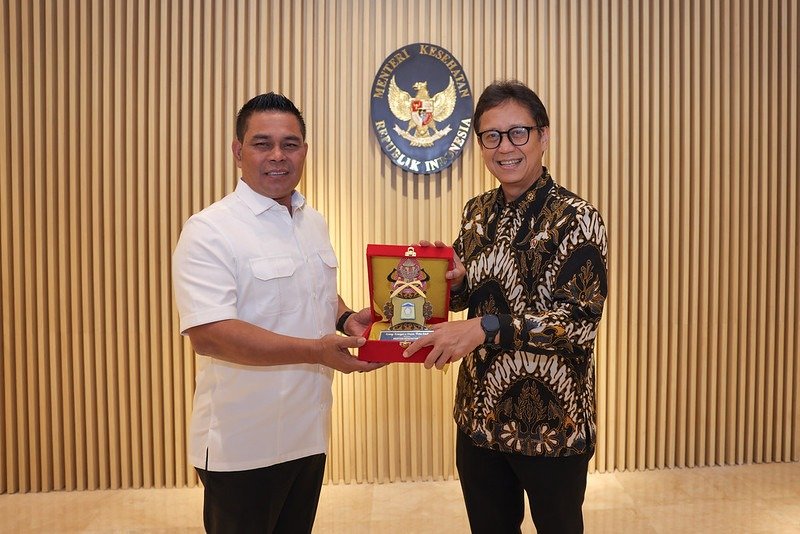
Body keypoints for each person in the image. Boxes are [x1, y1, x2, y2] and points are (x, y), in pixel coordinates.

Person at [172, 92, 384, 534]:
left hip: (308, 435)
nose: (277, 156)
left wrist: (345, 320)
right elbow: (210, 334)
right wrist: (317, 351)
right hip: (242, 445)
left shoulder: (313, 221)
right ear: (237, 151)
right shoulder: (209, 230)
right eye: (261, 143)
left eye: (290, 144)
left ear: (304, 150)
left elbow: (315, 296)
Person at [404, 80, 608, 533]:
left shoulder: (577, 217)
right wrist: (445, 278)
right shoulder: (476, 212)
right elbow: (465, 300)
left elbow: (577, 324)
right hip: (480, 418)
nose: (504, 147)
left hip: (552, 426)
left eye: (518, 132)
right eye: (491, 136)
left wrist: (487, 327)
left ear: (544, 136)